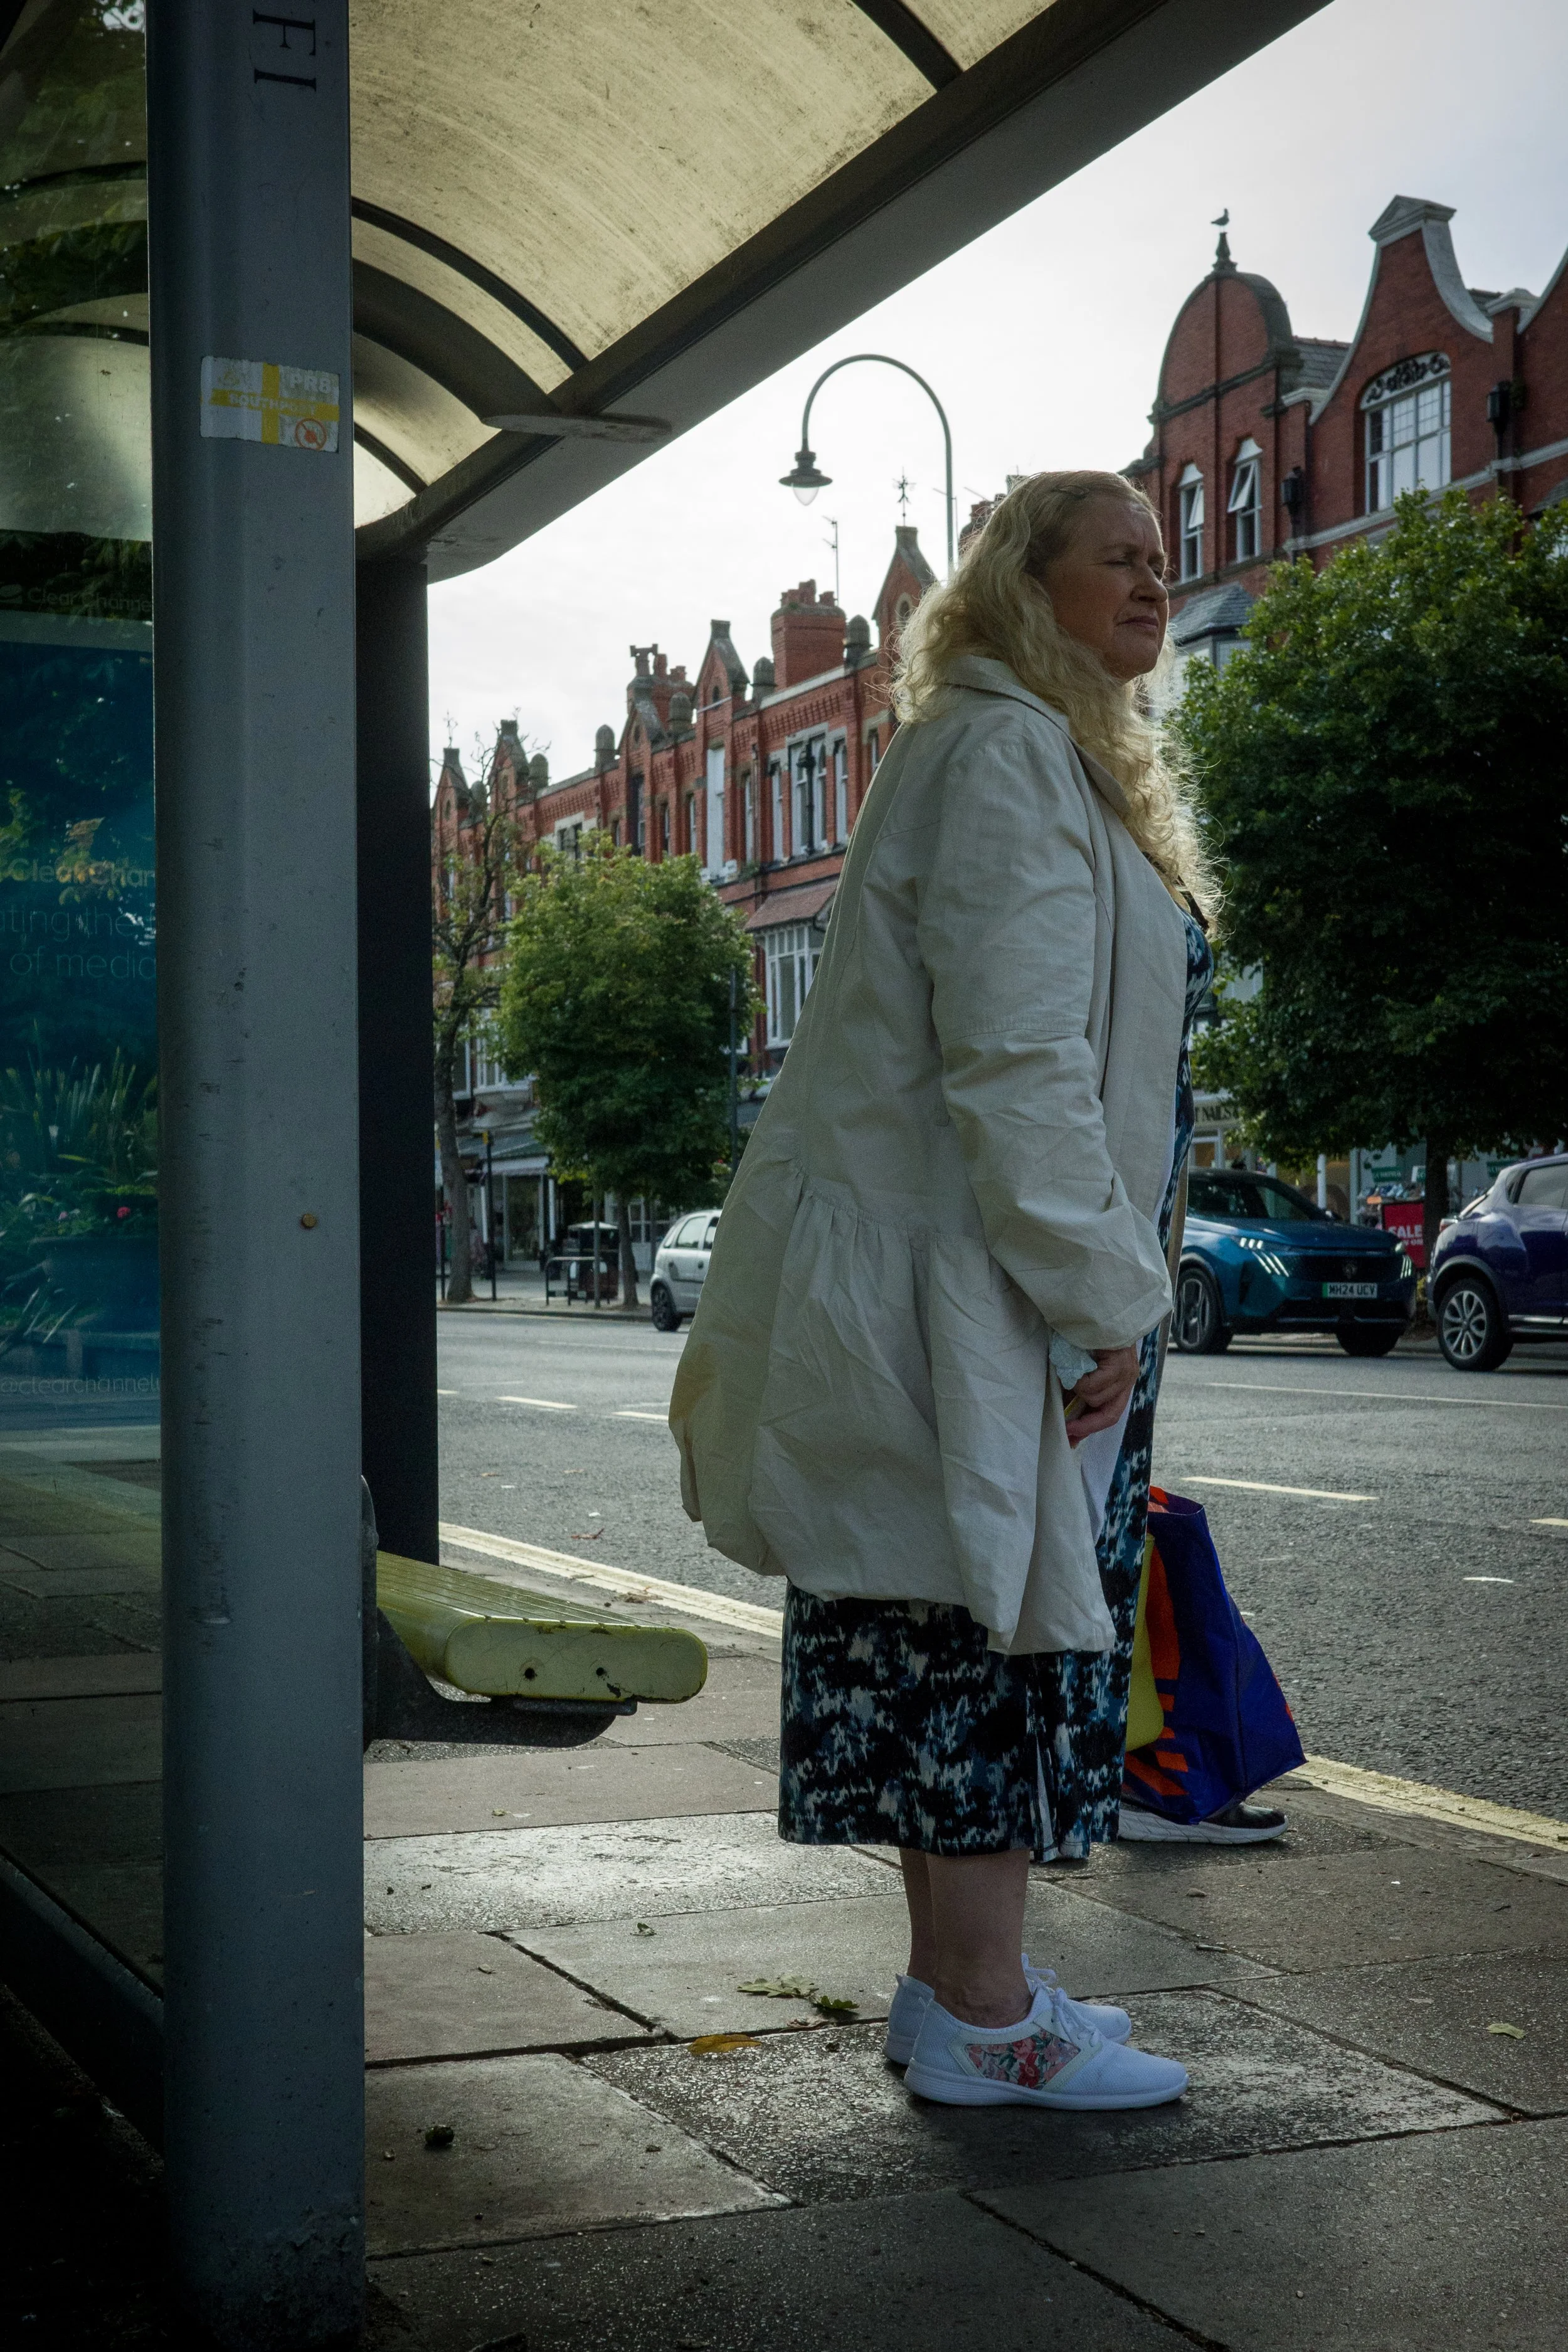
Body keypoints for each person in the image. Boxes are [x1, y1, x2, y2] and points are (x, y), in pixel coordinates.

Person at [670, 470, 1210, 2110]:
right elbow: (1018, 1066)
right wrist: (1106, 1294)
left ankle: (963, 1989)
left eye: (1159, 555)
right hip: (996, 1297)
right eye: (1108, 553)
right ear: (1014, 586)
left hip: (984, 1285)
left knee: (942, 1621)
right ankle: (986, 2015)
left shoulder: (1007, 747)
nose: (1149, 575)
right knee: (985, 1637)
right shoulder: (1002, 753)